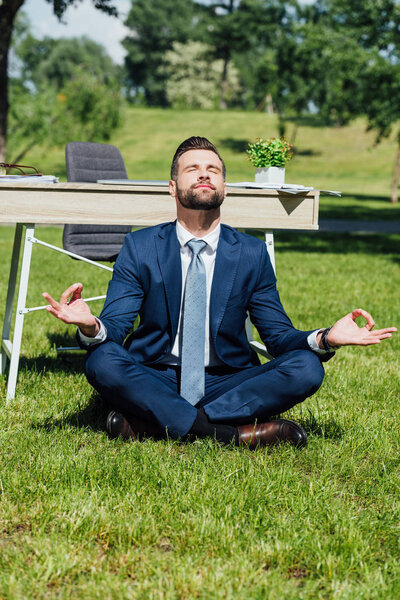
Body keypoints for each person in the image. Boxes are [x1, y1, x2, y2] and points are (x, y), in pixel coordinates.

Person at [42, 137, 397, 449]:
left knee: (307, 367)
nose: (204, 173)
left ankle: (153, 422)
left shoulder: (251, 253)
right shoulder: (141, 246)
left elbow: (277, 337)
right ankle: (228, 434)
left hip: (228, 381)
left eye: (213, 169)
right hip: (156, 373)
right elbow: (115, 326)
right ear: (171, 186)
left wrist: (325, 339)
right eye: (192, 168)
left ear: (225, 186)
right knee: (102, 360)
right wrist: (91, 327)